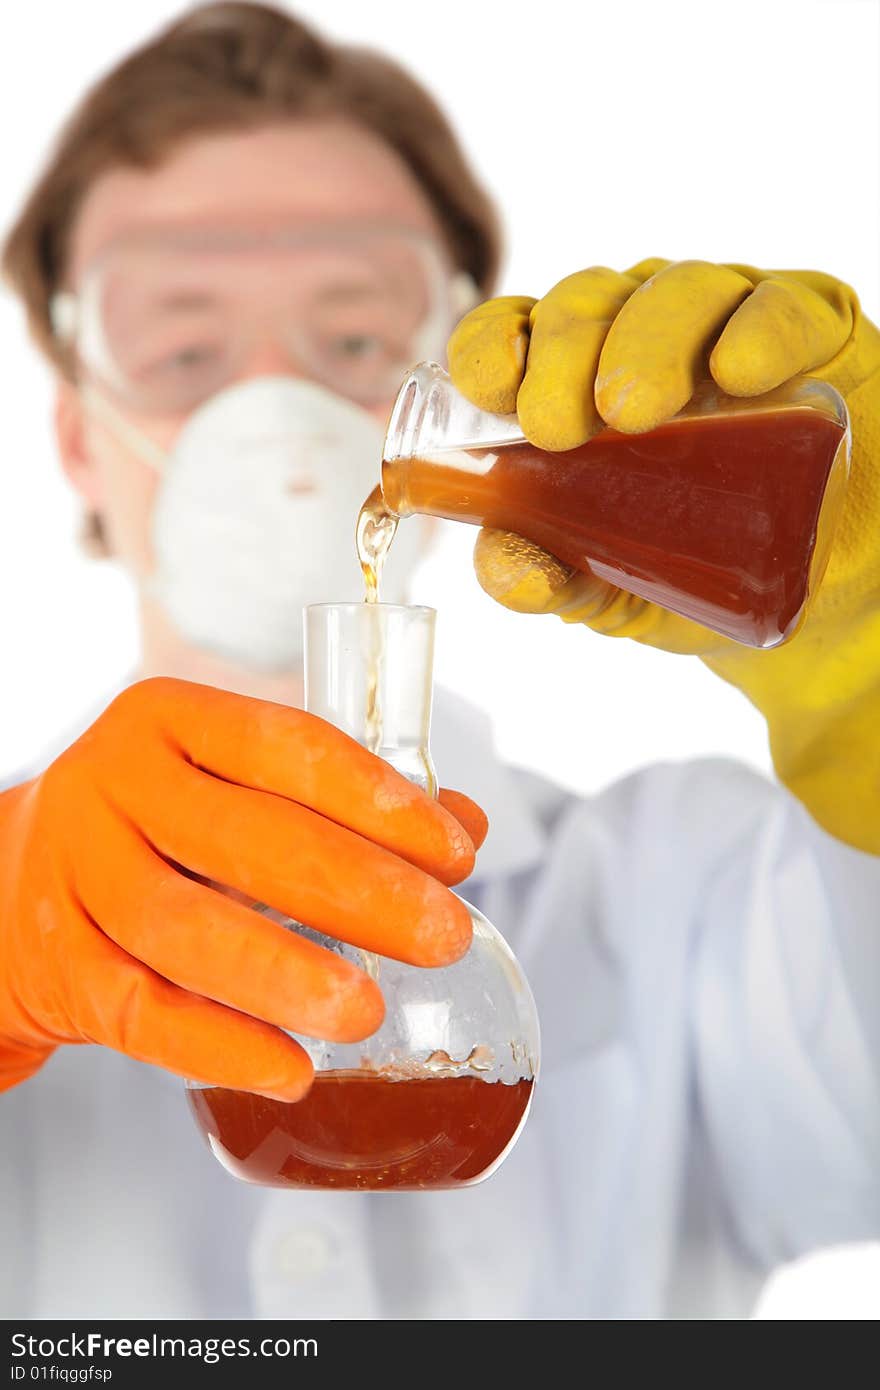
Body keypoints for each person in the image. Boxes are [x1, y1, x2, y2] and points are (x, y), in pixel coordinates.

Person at [0, 2, 877, 1321]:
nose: (273, 413)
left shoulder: (671, 892)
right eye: (181, 350)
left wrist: (864, 676)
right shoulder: (20, 923)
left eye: (354, 339)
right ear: (79, 438)